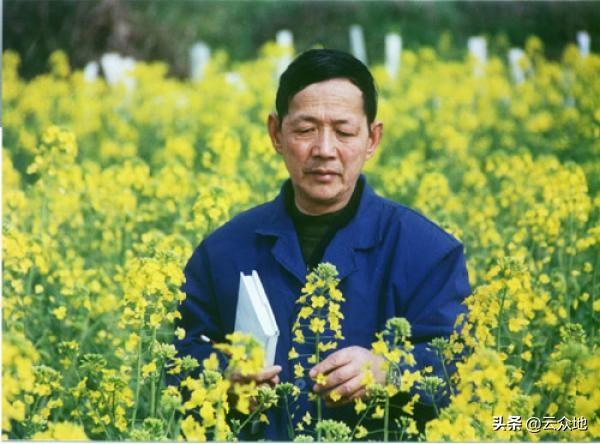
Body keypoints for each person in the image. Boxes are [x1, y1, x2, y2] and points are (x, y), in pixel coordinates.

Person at [173, 48, 470, 440]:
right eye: (305, 130)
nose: (325, 150)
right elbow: (176, 356)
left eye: (344, 132)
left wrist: (389, 370)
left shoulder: (428, 252)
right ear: (276, 134)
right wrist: (221, 376)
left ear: (372, 138)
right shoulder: (223, 251)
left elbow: (464, 366)